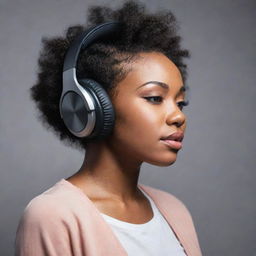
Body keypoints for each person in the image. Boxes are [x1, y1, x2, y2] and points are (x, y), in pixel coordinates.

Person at [15, 1, 202, 255]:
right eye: (155, 98)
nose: (178, 116)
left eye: (181, 103)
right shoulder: (53, 216)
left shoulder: (174, 210)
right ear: (89, 106)